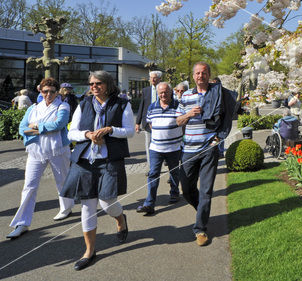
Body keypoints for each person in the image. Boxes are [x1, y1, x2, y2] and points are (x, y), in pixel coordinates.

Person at [61, 70, 134, 270]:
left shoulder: (122, 104)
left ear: (108, 84)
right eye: (91, 83)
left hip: (110, 159)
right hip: (85, 160)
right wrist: (87, 134)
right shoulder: (83, 104)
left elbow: (130, 132)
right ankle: (89, 251)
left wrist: (110, 130)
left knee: (107, 201)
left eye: (98, 83)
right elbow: (71, 132)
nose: (93, 86)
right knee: (87, 205)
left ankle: (120, 218)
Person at [7, 78, 75, 240]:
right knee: (29, 186)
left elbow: (59, 124)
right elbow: (23, 128)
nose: (49, 94)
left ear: (57, 92)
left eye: (52, 91)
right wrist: (43, 128)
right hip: (36, 151)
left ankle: (66, 208)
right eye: (45, 91)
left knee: (63, 181)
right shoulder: (33, 108)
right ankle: (22, 222)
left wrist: (36, 126)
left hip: (58, 150)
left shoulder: (63, 106)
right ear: (40, 91)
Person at [176, 62, 232, 247]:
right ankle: (202, 210)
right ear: (193, 76)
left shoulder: (217, 94)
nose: (201, 76)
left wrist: (218, 139)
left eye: (204, 73)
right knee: (186, 190)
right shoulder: (186, 95)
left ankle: (200, 229)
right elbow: (178, 120)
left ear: (209, 75)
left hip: (209, 149)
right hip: (188, 151)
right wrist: (189, 114)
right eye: (198, 73)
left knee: (206, 190)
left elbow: (227, 116)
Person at [136, 82, 181, 215]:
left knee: (174, 172)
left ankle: (174, 193)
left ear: (171, 92)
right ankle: (149, 203)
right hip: (156, 148)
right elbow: (150, 124)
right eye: (160, 92)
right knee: (153, 174)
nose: (163, 95)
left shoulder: (178, 106)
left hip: (174, 147)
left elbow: (183, 123)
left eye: (166, 92)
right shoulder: (152, 106)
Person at [136, 71, 163, 171]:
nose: (152, 79)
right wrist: (137, 122)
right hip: (147, 121)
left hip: (160, 121)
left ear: (160, 79)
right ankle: (151, 167)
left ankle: (159, 163)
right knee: (148, 144)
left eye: (155, 78)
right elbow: (141, 106)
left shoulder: (164, 89)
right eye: (151, 77)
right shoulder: (145, 90)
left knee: (160, 143)